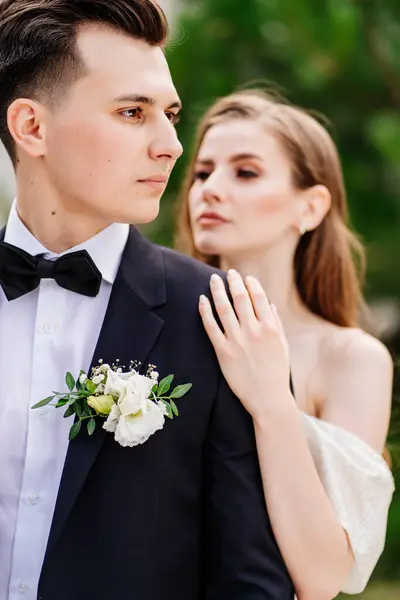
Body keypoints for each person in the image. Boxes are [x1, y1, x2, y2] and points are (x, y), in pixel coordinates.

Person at [0, 3, 295, 600]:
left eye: (171, 115)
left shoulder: (219, 315)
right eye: (132, 113)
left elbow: (251, 579)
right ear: (32, 127)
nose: (171, 146)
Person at [176, 88, 395, 599]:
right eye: (203, 172)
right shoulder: (151, 329)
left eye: (245, 172)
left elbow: (323, 578)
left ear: (311, 206)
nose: (210, 189)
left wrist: (272, 402)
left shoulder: (351, 359)